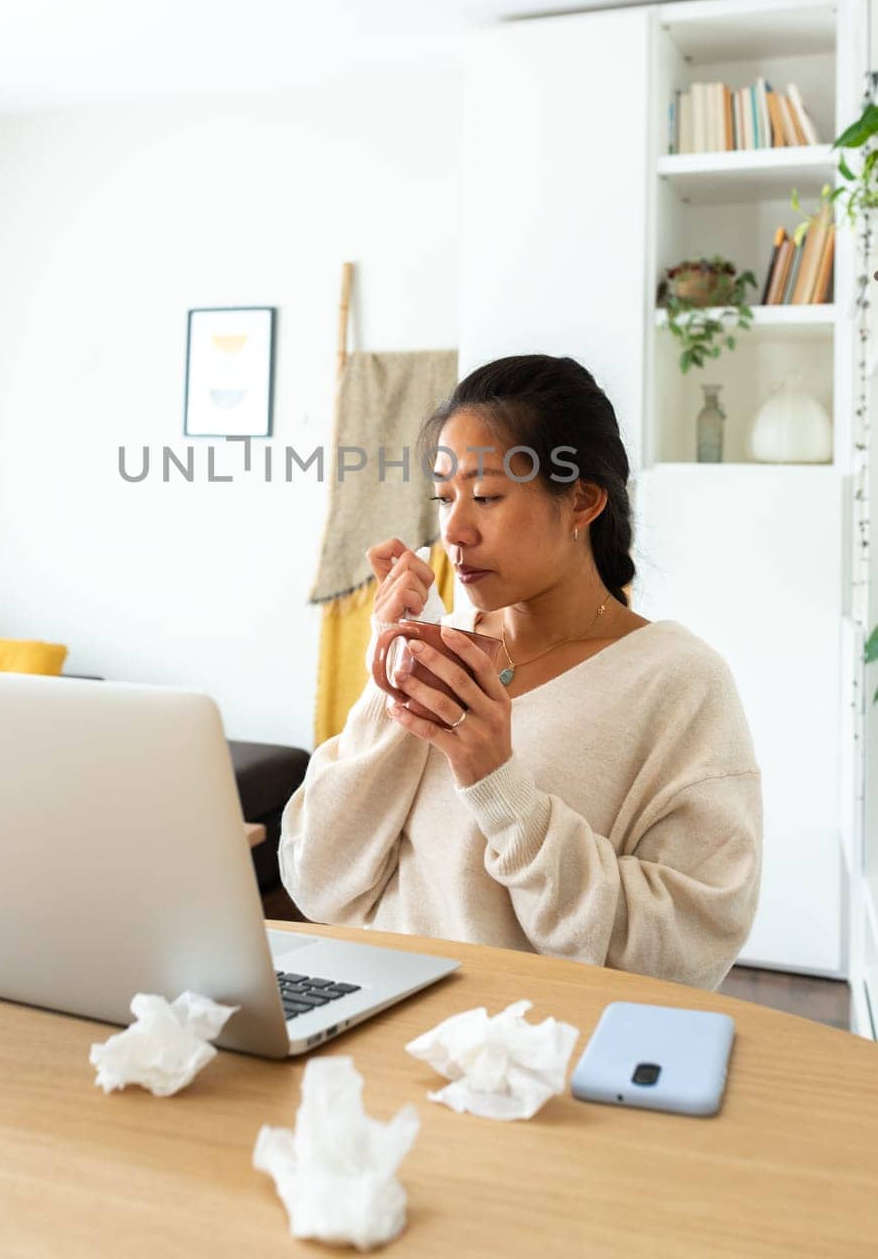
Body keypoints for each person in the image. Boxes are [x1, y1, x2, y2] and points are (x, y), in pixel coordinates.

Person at [280, 354, 763, 992]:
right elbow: (317, 881)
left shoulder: (679, 683)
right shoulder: (439, 648)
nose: (454, 531)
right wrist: (392, 677)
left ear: (583, 500)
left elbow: (685, 951)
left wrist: (500, 788)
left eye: (486, 497)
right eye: (445, 498)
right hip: (380, 1027)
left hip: (540, 1057)